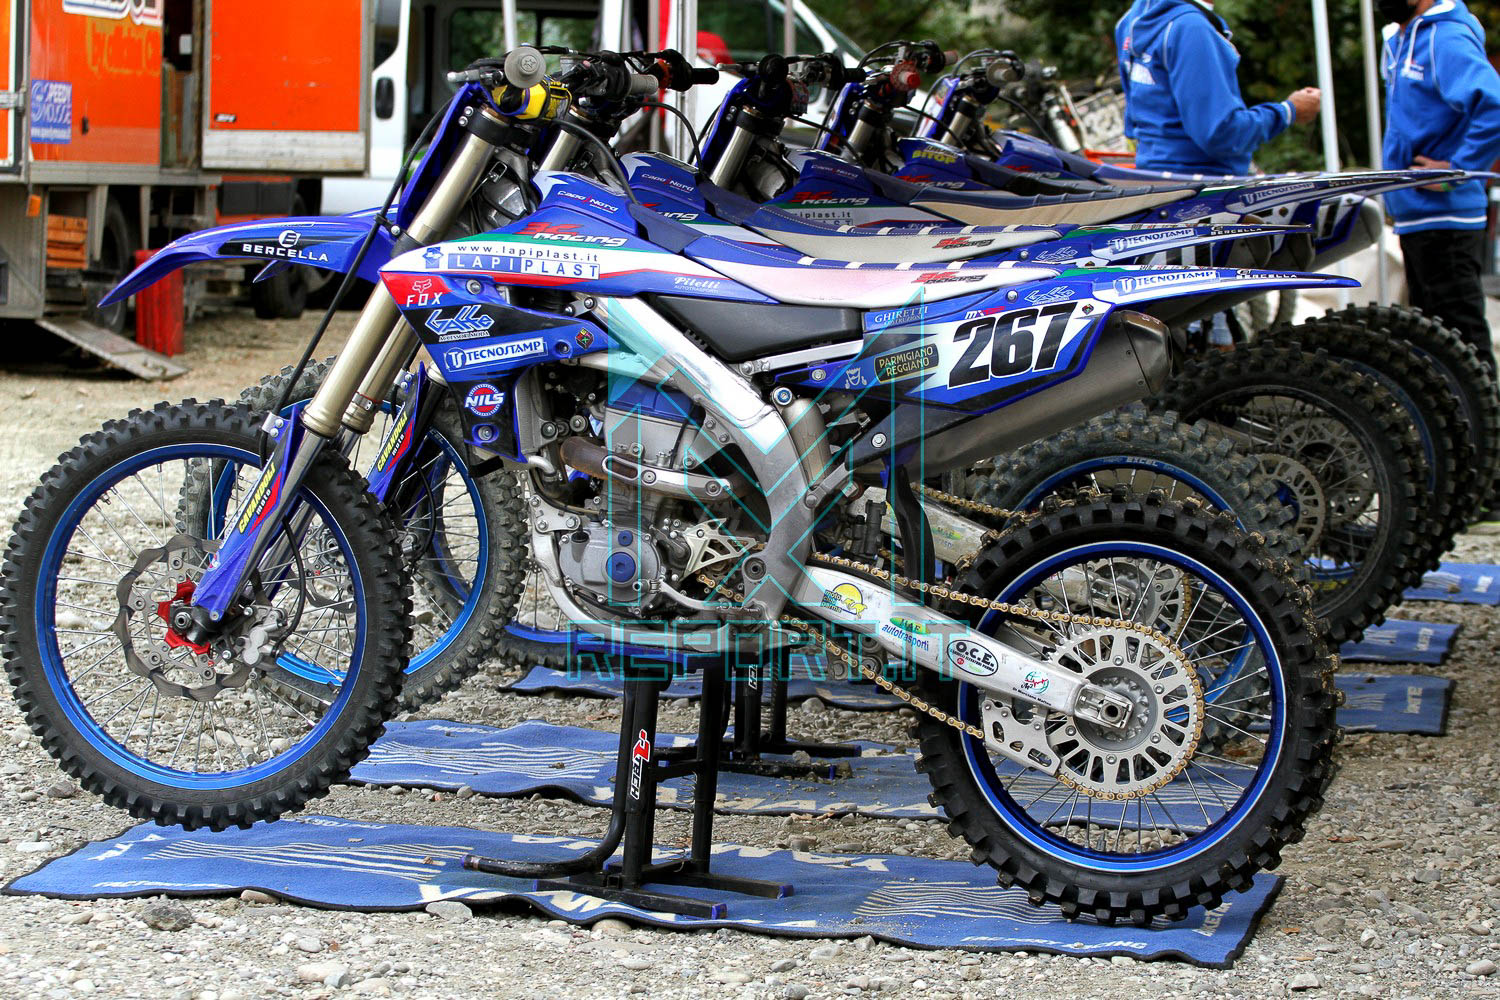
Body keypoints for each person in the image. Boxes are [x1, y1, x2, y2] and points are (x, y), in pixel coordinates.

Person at [1379, 0, 1500, 370]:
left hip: (1446, 219)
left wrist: (1458, 171)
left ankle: (1482, 411)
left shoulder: (1444, 37)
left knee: (1462, 346)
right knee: (1436, 347)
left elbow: (1494, 107)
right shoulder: (1399, 39)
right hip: (1417, 216)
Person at [1116, 0, 1322, 176]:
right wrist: (1288, 111)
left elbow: (1132, 122)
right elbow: (1221, 134)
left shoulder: (1134, 19)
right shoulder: (1191, 29)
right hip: (1201, 189)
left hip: (1154, 179)